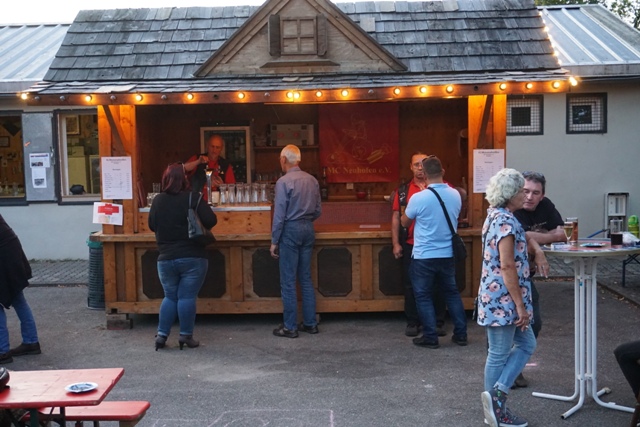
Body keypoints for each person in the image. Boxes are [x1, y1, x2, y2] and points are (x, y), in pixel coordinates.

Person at [478, 168, 549, 427]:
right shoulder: (505, 221)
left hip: (496, 296)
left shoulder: (496, 216)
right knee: (499, 352)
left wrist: (537, 250)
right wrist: (520, 306)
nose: (525, 196)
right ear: (510, 194)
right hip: (504, 299)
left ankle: (496, 397)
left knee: (526, 344)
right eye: (521, 191)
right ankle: (496, 410)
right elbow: (507, 265)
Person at [148, 162, 217, 350]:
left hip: (165, 257)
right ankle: (185, 336)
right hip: (192, 256)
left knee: (170, 297)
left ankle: (161, 336)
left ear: (165, 179)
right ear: (185, 179)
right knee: (187, 297)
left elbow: (152, 225)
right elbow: (211, 220)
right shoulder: (193, 198)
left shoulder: (158, 200)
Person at [400, 156, 467, 349]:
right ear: (442, 171)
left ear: (424, 174)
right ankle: (461, 334)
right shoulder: (455, 194)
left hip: (424, 255)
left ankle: (430, 336)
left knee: (423, 296)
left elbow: (404, 221)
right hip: (447, 254)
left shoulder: (419, 198)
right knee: (452, 294)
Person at [512, 170, 566, 387]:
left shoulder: (546, 206)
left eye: (535, 193)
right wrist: (547, 237)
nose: (529, 197)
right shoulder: (514, 208)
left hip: (527, 276)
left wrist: (537, 238)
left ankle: (514, 368)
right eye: (525, 191)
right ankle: (505, 373)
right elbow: (521, 236)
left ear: (542, 195)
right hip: (507, 275)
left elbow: (563, 234)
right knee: (506, 326)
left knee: (534, 323)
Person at [391, 152, 447, 337]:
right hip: (411, 244)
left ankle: (438, 322)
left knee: (437, 284)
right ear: (411, 167)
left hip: (436, 245)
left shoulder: (444, 188)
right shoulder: (403, 191)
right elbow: (396, 218)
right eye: (416, 164)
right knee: (410, 285)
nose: (420, 167)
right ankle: (413, 321)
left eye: (423, 164)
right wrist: (395, 243)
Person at [270, 145, 322, 338]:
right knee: (305, 278)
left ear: (284, 160)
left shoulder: (283, 182)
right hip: (308, 228)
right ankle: (310, 323)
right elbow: (318, 210)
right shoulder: (312, 180)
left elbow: (279, 215)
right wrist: (305, 220)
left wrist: (274, 240)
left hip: (290, 229)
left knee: (289, 281)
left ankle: (290, 327)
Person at [0, 214, 41, 364]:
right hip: (11, 253)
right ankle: (31, 342)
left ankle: (2, 351)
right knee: (18, 299)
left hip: (4, 257)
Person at [184, 134, 236, 201]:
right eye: (212, 146)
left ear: (221, 149)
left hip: (218, 203)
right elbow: (183, 168)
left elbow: (232, 189)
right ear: (207, 146)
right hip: (197, 202)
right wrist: (198, 162)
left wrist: (222, 186)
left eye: (217, 147)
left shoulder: (225, 165)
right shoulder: (198, 158)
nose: (214, 150)